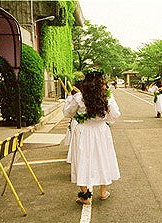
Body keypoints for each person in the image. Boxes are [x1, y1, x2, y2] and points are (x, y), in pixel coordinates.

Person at [63, 68, 121, 204]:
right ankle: (103, 191)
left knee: (83, 159)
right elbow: (115, 115)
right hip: (101, 131)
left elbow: (68, 113)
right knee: (102, 158)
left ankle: (85, 195)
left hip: (83, 131)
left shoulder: (79, 97)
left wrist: (70, 102)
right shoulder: (107, 96)